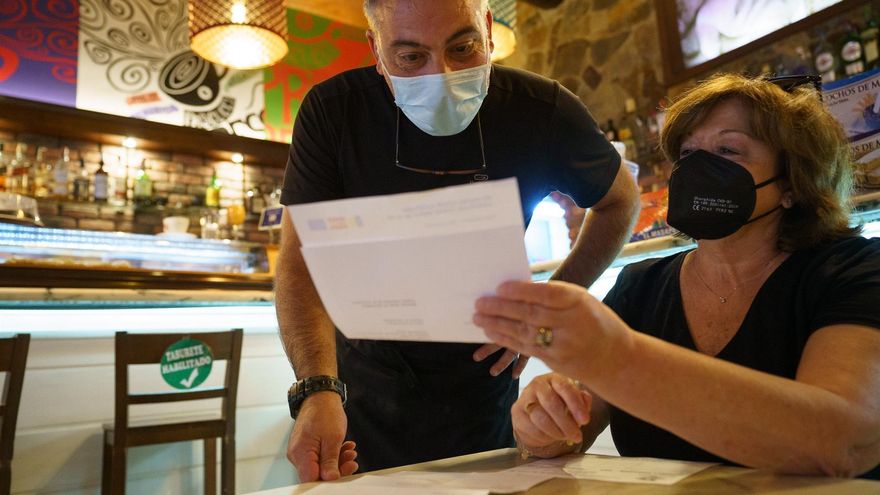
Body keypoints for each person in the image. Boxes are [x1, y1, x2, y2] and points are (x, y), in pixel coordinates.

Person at [274, 0, 640, 482]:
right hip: (362, 383)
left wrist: (547, 306)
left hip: (482, 378)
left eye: (463, 48)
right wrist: (317, 388)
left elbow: (620, 201)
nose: (441, 75)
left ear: (488, 29)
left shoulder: (540, 110)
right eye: (411, 57)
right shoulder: (334, 112)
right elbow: (299, 261)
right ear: (377, 51)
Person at [473, 73, 880, 478]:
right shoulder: (640, 286)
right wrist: (543, 422)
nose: (699, 169)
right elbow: (570, 430)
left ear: (792, 182)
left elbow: (842, 443)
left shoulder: (852, 271)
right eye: (688, 153)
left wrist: (616, 357)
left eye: (728, 149)